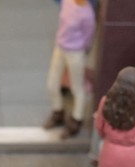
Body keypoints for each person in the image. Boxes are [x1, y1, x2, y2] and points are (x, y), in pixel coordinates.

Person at [42, 0, 96, 139]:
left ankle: (76, 120)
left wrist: (82, 52)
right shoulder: (67, 2)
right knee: (52, 84)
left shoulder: (87, 14)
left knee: (77, 88)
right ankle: (57, 111)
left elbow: (88, 37)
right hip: (60, 48)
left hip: (75, 53)